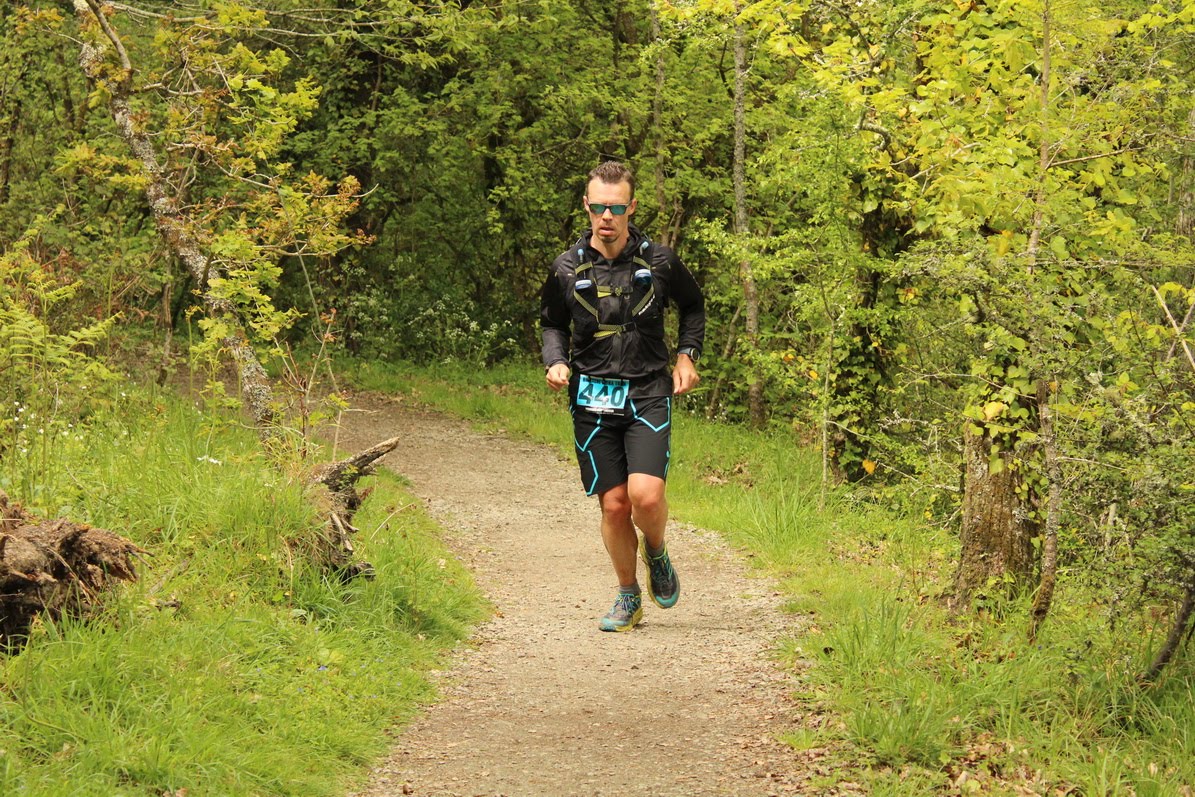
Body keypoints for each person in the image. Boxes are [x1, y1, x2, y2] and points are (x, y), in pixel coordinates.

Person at [540, 160, 705, 632]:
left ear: (631, 207)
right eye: (598, 207)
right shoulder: (566, 268)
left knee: (645, 497)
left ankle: (657, 550)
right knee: (614, 504)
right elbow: (551, 322)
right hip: (592, 396)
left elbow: (694, 306)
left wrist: (686, 357)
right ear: (586, 207)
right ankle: (628, 596)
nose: (606, 217)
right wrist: (556, 360)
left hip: (647, 390)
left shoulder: (661, 262)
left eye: (615, 207)